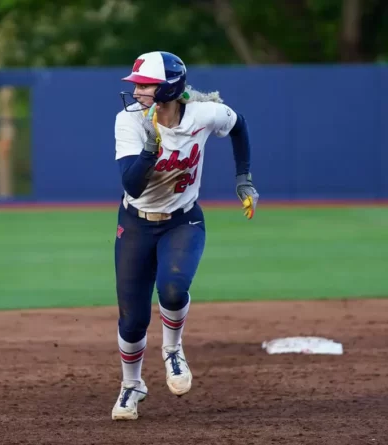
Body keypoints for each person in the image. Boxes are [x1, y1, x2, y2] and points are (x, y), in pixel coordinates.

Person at [110, 51, 258, 420]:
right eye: (138, 85)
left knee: (173, 288)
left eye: (145, 85)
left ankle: (173, 350)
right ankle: (132, 385)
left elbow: (238, 125)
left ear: (169, 89)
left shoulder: (203, 114)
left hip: (182, 220)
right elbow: (130, 182)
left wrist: (244, 178)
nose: (138, 91)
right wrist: (149, 147)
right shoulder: (129, 121)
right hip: (136, 221)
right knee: (132, 318)